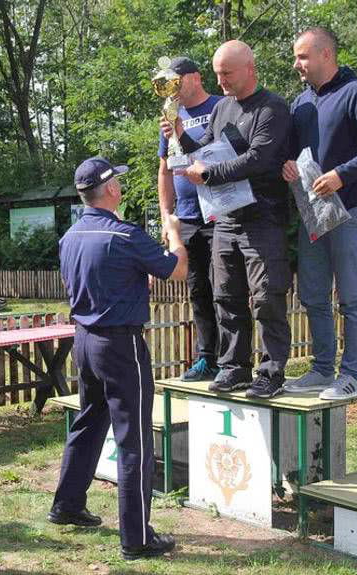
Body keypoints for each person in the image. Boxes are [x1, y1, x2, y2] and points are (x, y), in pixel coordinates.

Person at [49, 156, 187, 560]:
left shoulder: (71, 235)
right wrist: (175, 235)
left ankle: (67, 504)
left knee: (89, 422)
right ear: (110, 190)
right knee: (135, 440)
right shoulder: (125, 235)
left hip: (84, 340)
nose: (121, 188)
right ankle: (137, 537)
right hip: (120, 345)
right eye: (119, 184)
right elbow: (175, 271)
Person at [161, 40, 293, 399]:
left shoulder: (272, 108)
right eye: (218, 75)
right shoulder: (222, 110)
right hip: (226, 219)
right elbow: (204, 148)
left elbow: (258, 159)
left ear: (250, 69)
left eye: (227, 74)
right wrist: (180, 134)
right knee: (225, 295)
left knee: (266, 297)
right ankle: (234, 367)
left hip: (263, 218)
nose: (221, 83)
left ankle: (271, 371)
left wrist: (209, 175)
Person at [282, 27, 357, 400]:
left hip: (351, 209)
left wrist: (341, 175)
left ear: (326, 55)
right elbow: (299, 155)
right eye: (296, 57)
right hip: (313, 214)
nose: (296, 63)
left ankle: (350, 376)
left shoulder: (356, 93)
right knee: (313, 294)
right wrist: (289, 169)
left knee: (351, 298)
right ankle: (321, 369)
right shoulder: (300, 103)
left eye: (302, 56)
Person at [157, 56, 223, 382]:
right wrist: (166, 215)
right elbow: (165, 168)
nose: (172, 88)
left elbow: (222, 155)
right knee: (198, 290)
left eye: (176, 80)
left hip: (220, 212)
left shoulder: (220, 107)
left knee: (226, 289)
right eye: (166, 83)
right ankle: (206, 358)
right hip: (187, 218)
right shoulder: (171, 116)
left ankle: (233, 360)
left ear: (195, 77)